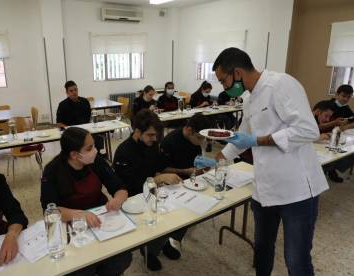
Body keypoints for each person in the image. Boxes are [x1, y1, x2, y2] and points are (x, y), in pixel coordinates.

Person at [195, 47, 329, 276]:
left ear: (237, 72)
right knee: (262, 249)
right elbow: (240, 141)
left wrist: (258, 140)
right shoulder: (249, 99)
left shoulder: (281, 84)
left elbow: (308, 130)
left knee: (296, 260)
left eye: (223, 81)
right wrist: (213, 161)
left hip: (297, 190)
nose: (223, 87)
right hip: (265, 188)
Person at [41, 127, 131, 276]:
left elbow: (120, 188)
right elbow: (50, 209)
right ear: (74, 154)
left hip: (102, 219)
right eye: (89, 148)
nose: (95, 150)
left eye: (94, 145)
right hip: (72, 226)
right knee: (82, 268)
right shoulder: (52, 171)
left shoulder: (98, 162)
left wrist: (117, 200)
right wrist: (80, 215)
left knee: (123, 259)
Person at [114, 109, 185, 271]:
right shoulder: (123, 152)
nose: (154, 139)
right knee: (157, 214)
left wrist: (160, 176)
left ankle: (163, 240)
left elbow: (157, 165)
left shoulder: (151, 144)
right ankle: (150, 251)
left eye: (156, 135)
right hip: (132, 199)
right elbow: (130, 187)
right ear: (137, 131)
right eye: (151, 135)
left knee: (182, 212)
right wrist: (158, 180)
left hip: (153, 191)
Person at [56, 80, 104, 153]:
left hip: (86, 129)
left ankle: (97, 152)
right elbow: (59, 123)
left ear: (77, 90)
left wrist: (91, 124)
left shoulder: (85, 101)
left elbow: (89, 117)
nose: (74, 92)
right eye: (71, 91)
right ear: (67, 92)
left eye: (75, 90)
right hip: (72, 131)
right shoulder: (62, 105)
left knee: (99, 127)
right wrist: (69, 130)